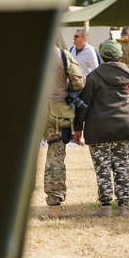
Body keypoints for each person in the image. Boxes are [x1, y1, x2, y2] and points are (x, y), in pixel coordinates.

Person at [79, 40, 129, 217]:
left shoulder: (93, 77)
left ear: (102, 56)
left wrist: (76, 128)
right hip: (125, 126)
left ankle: (105, 207)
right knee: (122, 166)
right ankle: (124, 207)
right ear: (120, 56)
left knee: (103, 167)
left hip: (100, 128)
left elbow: (84, 105)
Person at [43, 46, 86, 218]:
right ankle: (55, 206)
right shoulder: (62, 54)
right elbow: (79, 82)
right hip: (56, 113)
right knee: (55, 156)